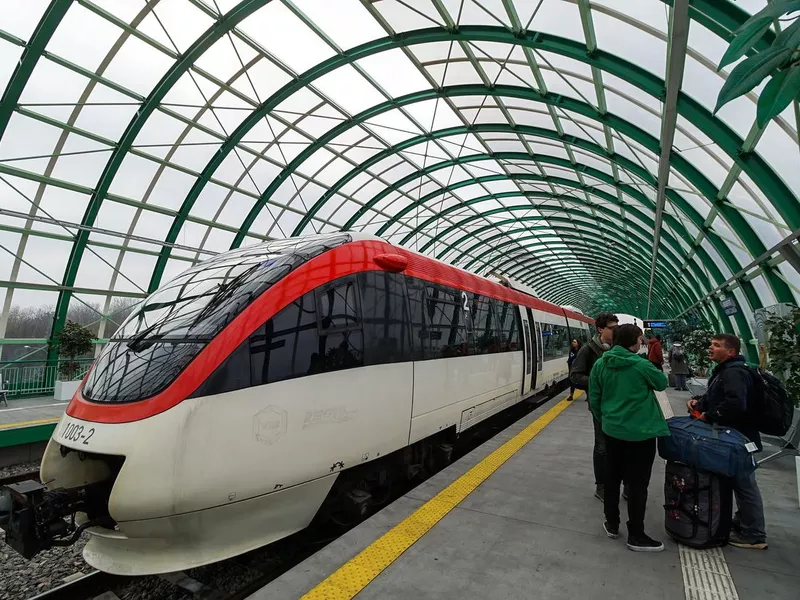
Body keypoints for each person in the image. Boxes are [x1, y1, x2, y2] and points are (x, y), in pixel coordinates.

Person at [589, 324, 669, 552]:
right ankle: (636, 533)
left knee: (612, 478)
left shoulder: (600, 364)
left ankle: (612, 524)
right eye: (640, 339)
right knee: (637, 484)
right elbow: (662, 384)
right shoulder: (641, 365)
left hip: (612, 431)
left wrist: (606, 420)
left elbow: (595, 399)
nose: (642, 342)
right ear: (632, 342)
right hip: (640, 434)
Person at [687, 334, 767, 550]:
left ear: (731, 352)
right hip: (735, 436)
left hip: (738, 438)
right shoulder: (727, 371)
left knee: (744, 484)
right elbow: (720, 396)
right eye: (711, 343)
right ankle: (744, 523)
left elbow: (735, 403)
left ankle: (754, 533)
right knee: (740, 483)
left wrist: (708, 416)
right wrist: (701, 402)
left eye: (717, 345)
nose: (710, 348)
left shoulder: (734, 373)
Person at [570, 312, 619, 501]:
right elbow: (575, 376)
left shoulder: (621, 348)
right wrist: (598, 381)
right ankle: (602, 485)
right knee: (602, 446)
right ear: (601, 329)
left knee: (620, 446)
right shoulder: (588, 350)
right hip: (600, 406)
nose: (616, 331)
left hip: (620, 404)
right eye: (612, 328)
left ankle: (622, 483)